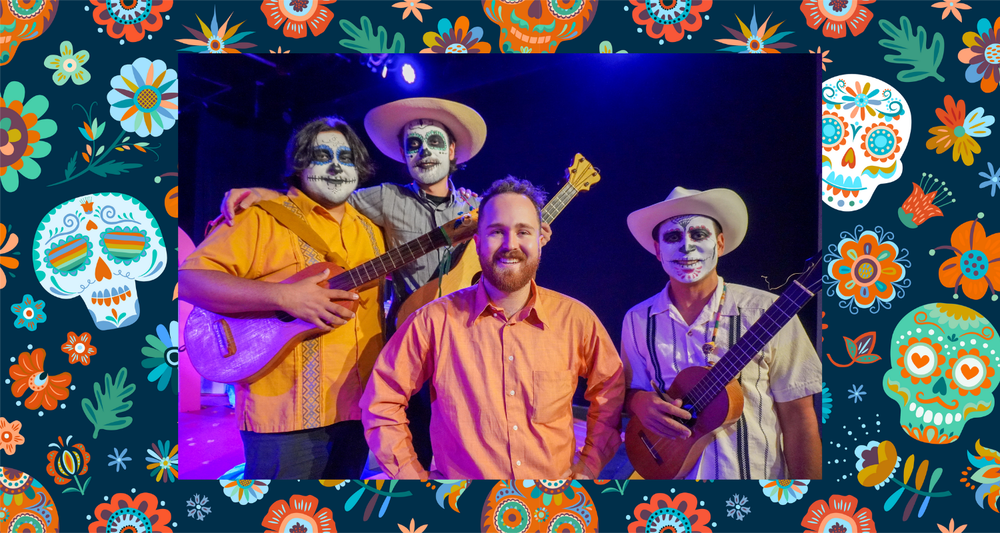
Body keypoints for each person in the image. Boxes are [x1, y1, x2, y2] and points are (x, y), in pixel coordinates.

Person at [216, 98, 550, 471]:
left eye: (435, 142)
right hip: (412, 339)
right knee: (416, 441)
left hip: (471, 338)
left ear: (452, 150)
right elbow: (323, 194)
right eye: (413, 144)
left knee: (479, 439)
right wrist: (271, 197)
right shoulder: (384, 199)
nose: (424, 151)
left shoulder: (477, 208)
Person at [360, 177, 624, 479]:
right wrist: (411, 476)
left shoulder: (576, 320)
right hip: (463, 511)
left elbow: (610, 392)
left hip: (553, 509)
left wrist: (589, 466)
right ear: (477, 242)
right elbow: (381, 401)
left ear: (541, 240)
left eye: (523, 231)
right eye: (496, 232)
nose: (510, 245)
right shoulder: (433, 321)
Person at [178, 117, 385, 479]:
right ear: (300, 165)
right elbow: (191, 281)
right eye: (322, 155)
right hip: (283, 418)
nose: (336, 165)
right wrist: (284, 297)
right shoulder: (260, 218)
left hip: (357, 411)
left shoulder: (372, 230)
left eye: (346, 157)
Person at [621, 186, 822, 480]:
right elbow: (629, 392)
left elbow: (799, 418)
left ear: (721, 243)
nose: (686, 247)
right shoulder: (637, 320)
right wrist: (639, 402)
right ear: (657, 250)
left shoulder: (769, 312)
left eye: (698, 235)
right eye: (673, 237)